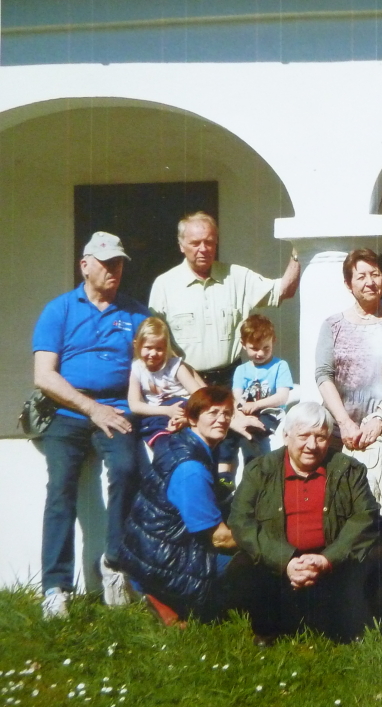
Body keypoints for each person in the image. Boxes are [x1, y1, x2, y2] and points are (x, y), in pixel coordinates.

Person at [34, 232, 149, 619]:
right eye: (106, 263)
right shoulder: (60, 309)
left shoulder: (136, 314)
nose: (114, 269)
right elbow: (44, 377)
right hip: (67, 411)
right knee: (61, 488)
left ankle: (114, 564)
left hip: (117, 408)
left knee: (127, 468)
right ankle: (55, 587)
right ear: (85, 265)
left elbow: (165, 365)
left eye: (119, 263)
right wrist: (90, 409)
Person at [228, 402, 381, 644]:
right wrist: (285, 560)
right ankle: (267, 629)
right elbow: (240, 520)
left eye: (320, 437)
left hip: (332, 564)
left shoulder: (348, 470)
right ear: (285, 436)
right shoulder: (260, 470)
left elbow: (367, 516)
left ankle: (343, 623)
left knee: (376, 555)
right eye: (304, 436)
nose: (312, 445)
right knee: (244, 562)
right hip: (278, 563)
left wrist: (328, 559)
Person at [118, 387, 239, 624]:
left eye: (227, 413)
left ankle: (153, 592)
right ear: (193, 418)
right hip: (163, 560)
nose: (222, 419)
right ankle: (165, 599)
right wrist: (262, 542)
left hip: (144, 550)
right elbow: (220, 538)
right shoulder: (191, 468)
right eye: (213, 412)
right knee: (250, 564)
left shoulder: (179, 441)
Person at [148, 211, 301, 387]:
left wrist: (297, 251)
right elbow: (155, 340)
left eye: (209, 242)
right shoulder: (164, 285)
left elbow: (283, 291)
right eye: (195, 243)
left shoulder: (237, 277)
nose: (203, 249)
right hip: (184, 384)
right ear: (181, 245)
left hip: (230, 382)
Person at [316, 248, 382, 474]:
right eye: (361, 276)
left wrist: (380, 417)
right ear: (348, 284)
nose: (370, 282)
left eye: (375, 274)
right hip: (339, 432)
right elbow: (323, 374)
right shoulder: (332, 325)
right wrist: (344, 422)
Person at [127, 317, 205, 443]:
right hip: (160, 411)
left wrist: (187, 415)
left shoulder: (174, 366)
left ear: (166, 348)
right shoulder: (137, 368)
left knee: (180, 406)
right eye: (148, 347)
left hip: (183, 405)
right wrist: (167, 411)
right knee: (151, 425)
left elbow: (199, 395)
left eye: (159, 349)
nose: (153, 353)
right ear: (137, 345)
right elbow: (134, 405)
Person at [230, 313, 293, 463]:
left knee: (253, 432)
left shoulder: (280, 366)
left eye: (266, 347)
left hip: (270, 412)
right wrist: (242, 410)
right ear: (243, 344)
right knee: (229, 432)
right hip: (245, 412)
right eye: (254, 348)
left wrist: (256, 405)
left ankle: (256, 470)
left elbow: (282, 397)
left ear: (274, 341)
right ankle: (225, 474)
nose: (260, 353)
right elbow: (237, 395)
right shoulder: (241, 370)